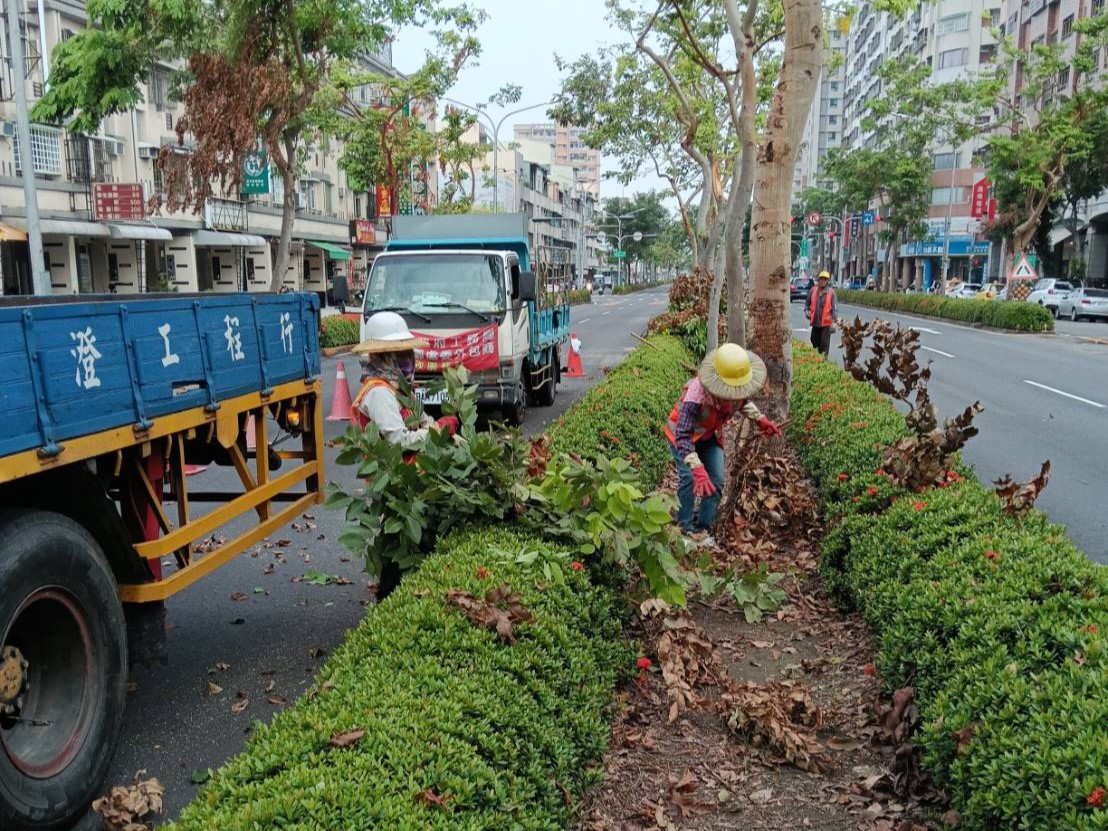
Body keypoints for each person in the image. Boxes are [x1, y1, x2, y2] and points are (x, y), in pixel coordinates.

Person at [665, 343, 783, 541]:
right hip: (682, 438)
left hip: (709, 436)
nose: (732, 395)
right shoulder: (696, 396)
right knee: (690, 479)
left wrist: (760, 419)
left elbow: (742, 402)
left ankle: (703, 529)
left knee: (717, 479)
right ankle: (684, 530)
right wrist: (697, 468)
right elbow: (683, 436)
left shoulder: (739, 387)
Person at [350, 311, 458, 445]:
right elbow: (399, 441)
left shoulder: (399, 388)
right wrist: (439, 430)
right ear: (382, 358)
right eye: (399, 355)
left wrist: (443, 431)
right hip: (391, 464)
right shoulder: (379, 393)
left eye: (408, 353)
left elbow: (423, 421)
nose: (407, 360)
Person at [808, 270, 838, 357]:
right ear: (818, 280)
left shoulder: (831, 293)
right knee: (814, 342)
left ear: (827, 281)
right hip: (815, 323)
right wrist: (807, 312)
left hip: (826, 324)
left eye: (825, 279)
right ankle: (816, 360)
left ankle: (823, 362)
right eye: (821, 279)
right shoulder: (813, 291)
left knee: (824, 345)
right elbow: (807, 304)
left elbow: (834, 308)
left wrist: (834, 321)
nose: (822, 281)